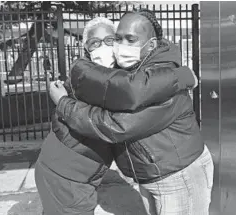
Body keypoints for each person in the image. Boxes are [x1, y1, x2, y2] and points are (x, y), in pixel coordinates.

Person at [49, 9, 214, 215]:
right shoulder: (132, 71)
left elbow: (116, 126)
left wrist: (63, 103)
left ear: (151, 45)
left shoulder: (160, 79)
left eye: (131, 39)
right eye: (118, 39)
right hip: (151, 174)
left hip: (178, 176)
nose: (121, 46)